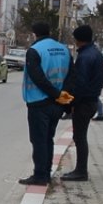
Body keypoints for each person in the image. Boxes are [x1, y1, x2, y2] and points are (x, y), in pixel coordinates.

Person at [19, 21, 75, 186]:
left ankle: (40, 175)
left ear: (34, 33)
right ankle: (46, 172)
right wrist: (61, 96)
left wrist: (55, 94)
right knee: (48, 138)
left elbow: (38, 78)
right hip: (57, 104)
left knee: (38, 140)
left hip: (39, 102)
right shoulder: (64, 49)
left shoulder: (35, 51)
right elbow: (71, 75)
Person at [62, 25, 103, 181]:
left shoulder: (85, 57)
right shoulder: (96, 53)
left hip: (84, 102)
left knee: (79, 137)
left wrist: (72, 103)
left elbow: (80, 83)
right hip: (92, 100)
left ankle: (81, 171)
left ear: (78, 39)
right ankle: (80, 169)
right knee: (80, 136)